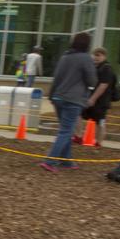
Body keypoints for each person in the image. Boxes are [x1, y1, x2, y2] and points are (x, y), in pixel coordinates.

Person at [41, 31, 97, 172]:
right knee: (66, 131)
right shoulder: (86, 58)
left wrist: (52, 95)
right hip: (74, 99)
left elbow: (57, 77)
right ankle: (50, 161)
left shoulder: (65, 57)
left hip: (59, 97)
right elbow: (92, 80)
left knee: (65, 130)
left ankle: (67, 161)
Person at [75, 47, 118, 146]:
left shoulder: (107, 68)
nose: (96, 57)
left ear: (104, 56)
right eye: (94, 55)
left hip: (101, 102)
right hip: (90, 99)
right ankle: (78, 137)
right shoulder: (95, 67)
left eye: (99, 55)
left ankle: (98, 143)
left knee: (100, 122)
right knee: (78, 114)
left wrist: (93, 99)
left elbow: (103, 85)